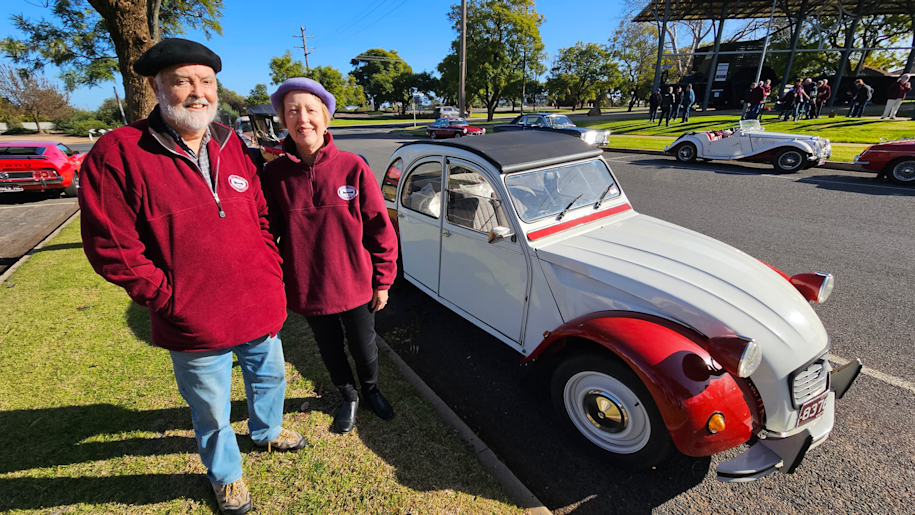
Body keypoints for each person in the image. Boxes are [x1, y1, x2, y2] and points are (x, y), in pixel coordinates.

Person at [78, 39, 304, 515]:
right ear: (158, 88)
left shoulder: (230, 142)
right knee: (211, 408)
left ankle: (265, 432)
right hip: (193, 319)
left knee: (271, 377)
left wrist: (270, 269)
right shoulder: (119, 153)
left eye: (206, 82)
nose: (197, 92)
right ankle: (226, 477)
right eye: (182, 81)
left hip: (259, 301)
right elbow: (112, 247)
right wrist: (167, 297)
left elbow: (260, 215)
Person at [261, 77, 399, 436]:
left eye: (310, 110)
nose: (302, 118)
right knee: (330, 348)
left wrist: (382, 281)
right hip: (309, 288)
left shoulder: (353, 166)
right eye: (292, 111)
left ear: (326, 117)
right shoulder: (274, 175)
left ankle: (370, 390)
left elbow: (379, 227)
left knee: (364, 347)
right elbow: (266, 233)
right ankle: (349, 395)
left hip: (355, 284)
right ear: (283, 121)